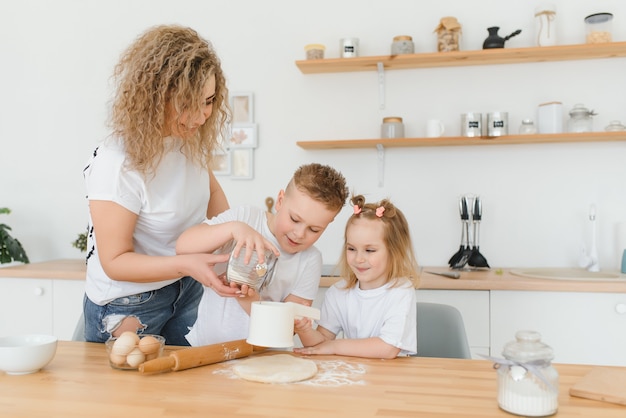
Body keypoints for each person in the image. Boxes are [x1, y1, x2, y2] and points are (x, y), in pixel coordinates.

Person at [82, 25, 252, 346]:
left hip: (187, 288)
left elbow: (211, 192)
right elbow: (115, 261)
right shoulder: (118, 162)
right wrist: (187, 264)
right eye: (188, 104)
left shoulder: (185, 142)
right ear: (154, 98)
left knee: (182, 393)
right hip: (129, 304)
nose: (202, 116)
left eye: (209, 101)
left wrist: (233, 245)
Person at [176, 163, 349, 346]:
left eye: (314, 229)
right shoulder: (246, 218)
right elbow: (183, 246)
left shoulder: (310, 260)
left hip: (261, 356)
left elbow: (287, 328)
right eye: (294, 219)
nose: (299, 234)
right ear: (280, 200)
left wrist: (249, 298)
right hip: (207, 347)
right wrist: (234, 229)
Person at [293, 195, 419, 359]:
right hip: (355, 376)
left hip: (391, 379)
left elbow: (388, 348)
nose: (358, 259)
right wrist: (304, 330)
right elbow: (321, 345)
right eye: (352, 249)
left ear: (394, 252)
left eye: (370, 250)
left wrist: (335, 345)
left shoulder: (401, 291)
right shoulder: (338, 292)